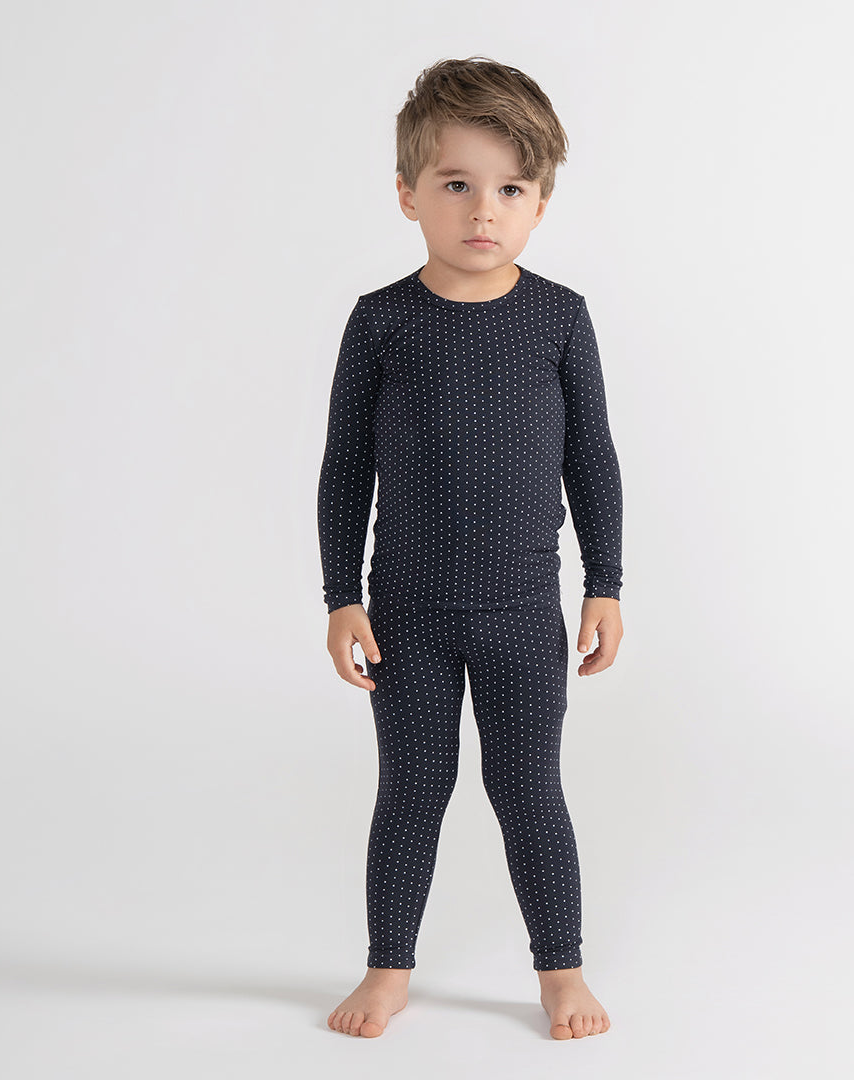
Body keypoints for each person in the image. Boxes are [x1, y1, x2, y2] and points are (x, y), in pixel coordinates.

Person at [317, 55, 624, 1040]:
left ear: (539, 204)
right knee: (412, 791)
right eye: (457, 184)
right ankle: (388, 970)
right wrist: (340, 594)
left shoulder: (559, 318)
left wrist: (607, 584)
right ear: (408, 193)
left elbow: (591, 457)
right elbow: (345, 466)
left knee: (528, 792)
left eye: (511, 189)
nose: (483, 210)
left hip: (523, 618)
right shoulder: (382, 322)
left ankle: (561, 973)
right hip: (406, 615)